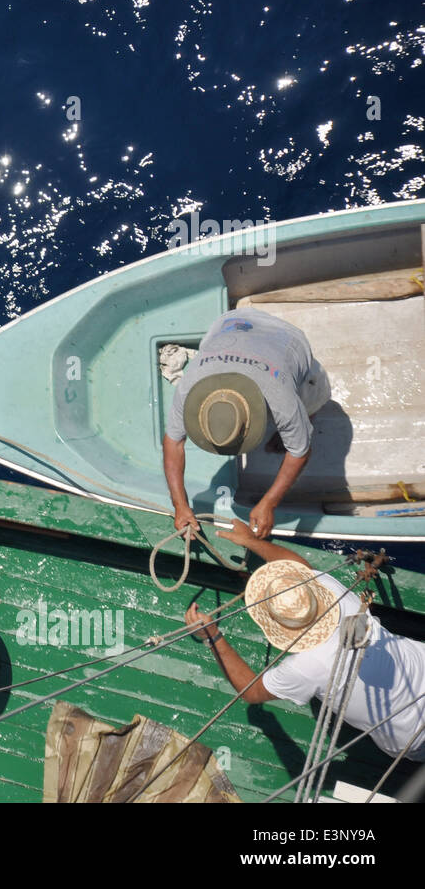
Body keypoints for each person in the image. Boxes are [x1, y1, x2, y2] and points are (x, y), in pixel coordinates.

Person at [185, 521, 425, 762]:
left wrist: (212, 637)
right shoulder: (332, 592)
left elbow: (252, 692)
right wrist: (251, 542)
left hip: (412, 738)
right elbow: (300, 566)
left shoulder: (305, 667)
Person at [161, 307, 330, 539]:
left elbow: (300, 452)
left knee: (310, 406)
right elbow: (173, 442)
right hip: (234, 321)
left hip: (289, 339)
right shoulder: (189, 387)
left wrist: (269, 503)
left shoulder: (281, 399)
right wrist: (180, 504)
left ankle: (296, 426)